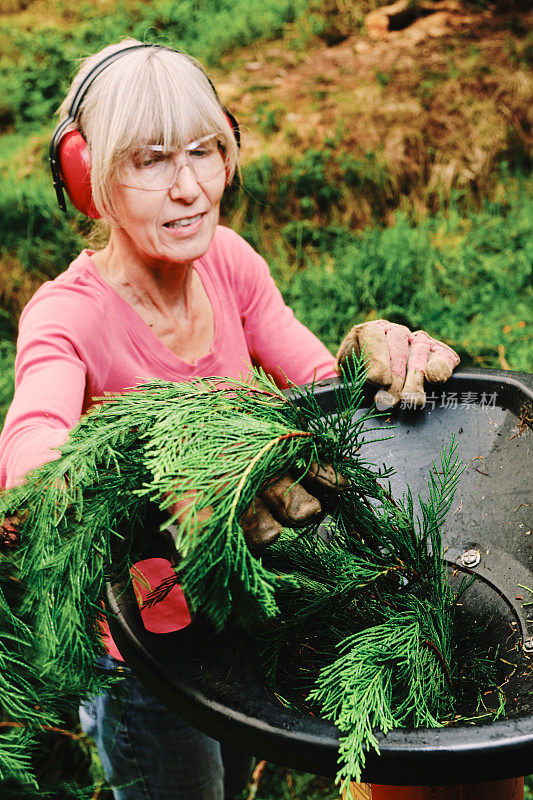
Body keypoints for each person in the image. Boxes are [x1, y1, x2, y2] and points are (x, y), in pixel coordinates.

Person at [0, 39, 460, 800]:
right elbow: (33, 454)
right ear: (92, 180)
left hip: (242, 603)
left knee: (236, 765)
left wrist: (368, 357)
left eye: (204, 150)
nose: (189, 187)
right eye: (148, 160)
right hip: (145, 650)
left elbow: (316, 391)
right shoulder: (66, 319)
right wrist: (153, 477)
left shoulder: (230, 263)